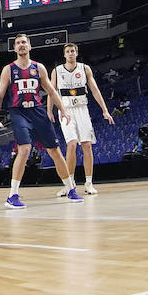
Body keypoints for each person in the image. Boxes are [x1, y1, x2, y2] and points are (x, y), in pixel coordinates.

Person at [0, 33, 82, 208]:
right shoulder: (8, 70)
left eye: (24, 42)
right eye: (18, 43)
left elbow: (51, 91)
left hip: (38, 111)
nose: (21, 45)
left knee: (54, 150)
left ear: (30, 46)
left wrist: (63, 110)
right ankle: (13, 195)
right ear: (15, 48)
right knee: (24, 149)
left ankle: (70, 189)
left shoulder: (38, 68)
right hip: (18, 112)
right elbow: (0, 95)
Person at [50, 42, 115, 196]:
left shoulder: (85, 69)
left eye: (73, 51)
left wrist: (105, 111)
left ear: (76, 53)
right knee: (71, 145)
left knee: (86, 145)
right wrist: (49, 111)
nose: (70, 53)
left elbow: (95, 90)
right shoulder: (57, 71)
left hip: (82, 108)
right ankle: (69, 184)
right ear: (64, 54)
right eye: (68, 51)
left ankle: (89, 183)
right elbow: (52, 92)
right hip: (65, 110)